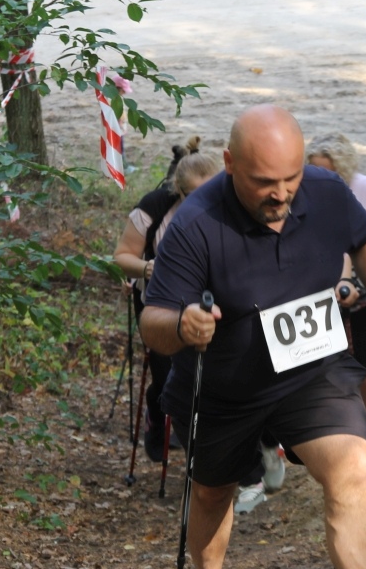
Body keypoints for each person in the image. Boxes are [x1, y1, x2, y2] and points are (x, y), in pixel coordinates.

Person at [140, 104, 366, 569]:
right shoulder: (196, 221)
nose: (281, 195)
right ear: (229, 165)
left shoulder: (323, 189)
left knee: (354, 467)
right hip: (222, 386)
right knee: (212, 491)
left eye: (290, 179)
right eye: (264, 183)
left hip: (308, 367)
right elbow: (154, 318)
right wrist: (184, 328)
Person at [114, 138, 286, 511]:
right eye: (192, 194)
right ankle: (186, 447)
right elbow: (122, 255)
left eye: (210, 192)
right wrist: (148, 268)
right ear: (179, 191)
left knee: (246, 386)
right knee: (174, 389)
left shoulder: (242, 209)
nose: (202, 202)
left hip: (226, 316)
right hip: (166, 316)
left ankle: (253, 464)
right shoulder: (155, 208)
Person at [306, 134, 366, 443]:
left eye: (329, 172)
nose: (320, 177)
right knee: (315, 353)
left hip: (362, 282)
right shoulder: (299, 190)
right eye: (314, 170)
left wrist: (361, 249)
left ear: (344, 170)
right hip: (317, 282)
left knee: (363, 353)